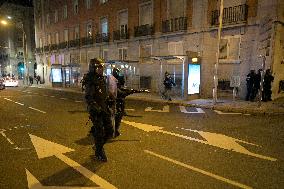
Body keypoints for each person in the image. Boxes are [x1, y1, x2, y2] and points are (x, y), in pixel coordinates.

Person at [84, 58, 114, 162]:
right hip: (96, 111)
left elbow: (103, 93)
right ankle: (99, 152)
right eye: (99, 67)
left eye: (102, 67)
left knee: (110, 131)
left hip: (104, 108)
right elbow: (88, 96)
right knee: (100, 132)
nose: (101, 69)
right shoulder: (90, 80)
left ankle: (98, 146)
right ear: (93, 68)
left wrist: (109, 99)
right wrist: (94, 106)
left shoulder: (102, 78)